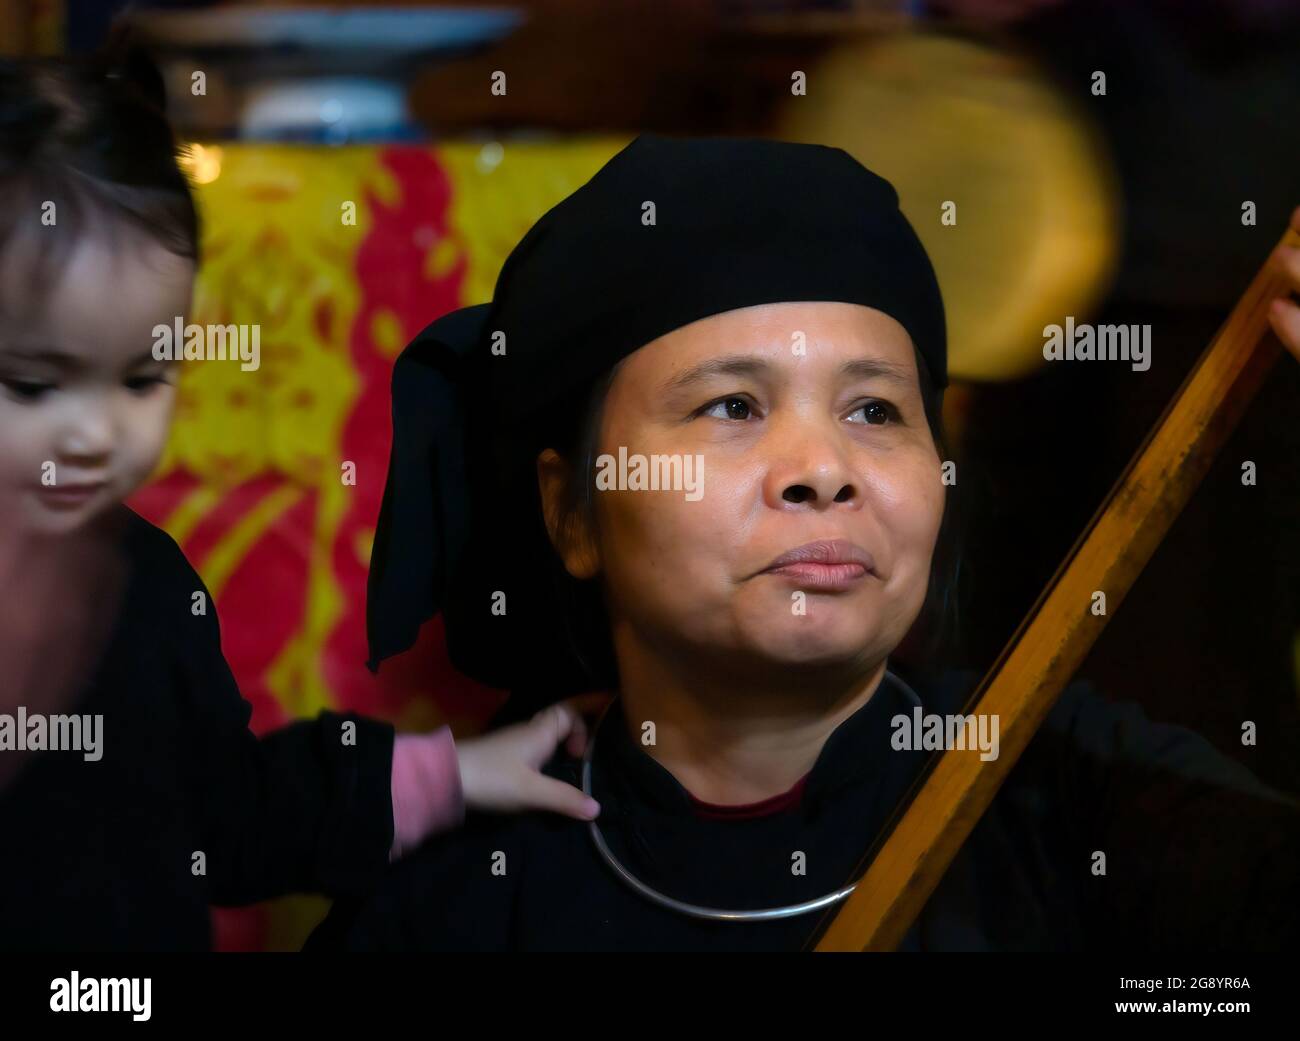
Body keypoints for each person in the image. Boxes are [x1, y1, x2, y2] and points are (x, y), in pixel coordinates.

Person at [309, 133, 1300, 951]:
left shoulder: (1079, 800)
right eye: (732, 405)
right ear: (571, 512)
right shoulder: (453, 901)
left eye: (874, 409)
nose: (822, 469)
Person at [0, 42, 601, 953]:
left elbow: (229, 816)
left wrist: (451, 775)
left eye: (141, 377)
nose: (96, 433)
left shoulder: (148, 582)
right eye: (35, 384)